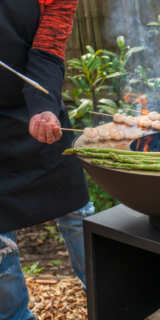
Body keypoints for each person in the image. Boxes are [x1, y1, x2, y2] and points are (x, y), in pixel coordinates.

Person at [0, 0, 93, 319]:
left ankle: (112, 296)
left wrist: (43, 106)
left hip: (38, 109)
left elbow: (47, 51)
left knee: (77, 212)